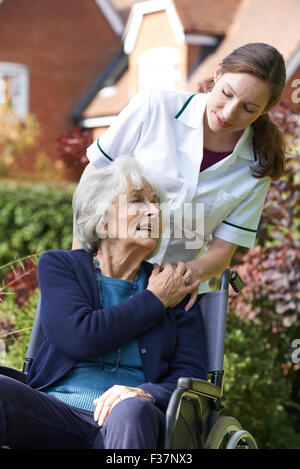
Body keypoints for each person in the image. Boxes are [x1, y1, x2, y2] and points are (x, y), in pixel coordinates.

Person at [0, 156, 207, 449]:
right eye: (137, 201)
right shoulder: (61, 266)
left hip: (126, 422)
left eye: (156, 203)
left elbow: (190, 378)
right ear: (102, 221)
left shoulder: (174, 287)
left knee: (131, 410)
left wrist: (146, 393)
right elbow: (78, 337)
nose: (153, 211)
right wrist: (154, 300)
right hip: (53, 415)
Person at [76, 42, 286, 310]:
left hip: (177, 299)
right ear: (218, 72)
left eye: (248, 109)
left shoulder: (256, 167)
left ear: (266, 110)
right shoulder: (155, 107)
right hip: (103, 279)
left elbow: (220, 254)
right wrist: (77, 265)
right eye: (226, 93)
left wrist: (176, 281)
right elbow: (91, 184)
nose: (228, 112)